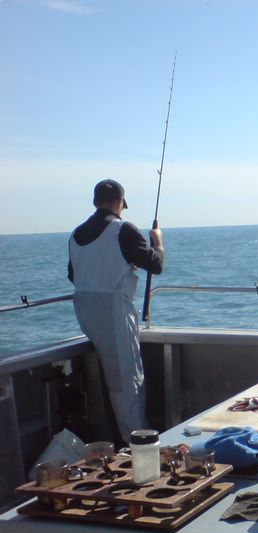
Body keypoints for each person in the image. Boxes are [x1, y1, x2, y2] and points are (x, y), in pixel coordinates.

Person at [68, 179, 165, 444]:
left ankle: (123, 437)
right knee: (127, 381)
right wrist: (158, 242)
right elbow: (155, 265)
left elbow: (73, 274)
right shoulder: (123, 229)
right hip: (113, 311)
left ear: (95, 202)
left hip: (84, 311)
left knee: (114, 377)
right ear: (119, 202)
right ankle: (137, 444)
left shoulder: (75, 235)